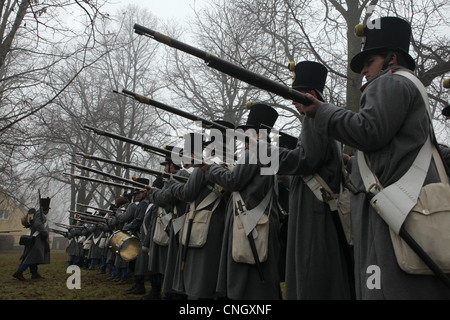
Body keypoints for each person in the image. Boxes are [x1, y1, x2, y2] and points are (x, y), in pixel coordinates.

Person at [301, 16, 450, 299]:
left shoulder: (389, 83)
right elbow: (394, 149)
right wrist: (353, 162)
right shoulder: (407, 86)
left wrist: (322, 112)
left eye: (370, 62)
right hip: (401, 203)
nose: (365, 71)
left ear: (391, 58)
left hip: (395, 206)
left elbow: (369, 131)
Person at [276, 61, 354, 299]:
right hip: (313, 208)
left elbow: (306, 160)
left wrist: (268, 155)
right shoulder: (315, 119)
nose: (293, 101)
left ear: (309, 95)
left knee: (314, 276)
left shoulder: (314, 118)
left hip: (315, 212)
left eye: (296, 95)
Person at [202, 104, 283, 300]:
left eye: (246, 133)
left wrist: (211, 169)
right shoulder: (267, 152)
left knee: (248, 275)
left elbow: (234, 181)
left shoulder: (255, 151)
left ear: (257, 135)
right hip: (259, 218)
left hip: (251, 220)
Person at [13, 197, 51, 281]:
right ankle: (19, 272)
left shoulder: (39, 214)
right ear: (46, 209)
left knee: (33, 257)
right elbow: (38, 225)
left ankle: (34, 273)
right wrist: (44, 233)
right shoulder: (39, 214)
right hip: (36, 239)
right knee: (30, 258)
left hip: (36, 239)